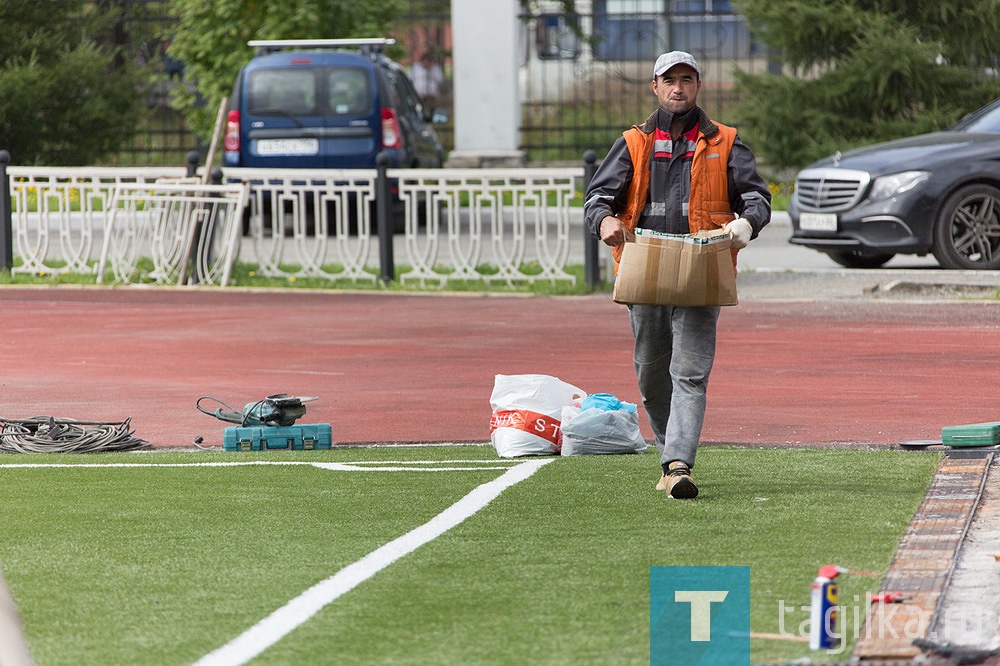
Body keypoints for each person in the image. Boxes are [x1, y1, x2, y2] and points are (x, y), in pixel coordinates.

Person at [583, 51, 771, 499]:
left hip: (703, 266)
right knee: (651, 372)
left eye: (686, 79)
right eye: (670, 80)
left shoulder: (727, 140)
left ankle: (677, 463)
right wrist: (604, 222)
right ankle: (672, 456)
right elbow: (597, 197)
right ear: (655, 86)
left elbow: (757, 197)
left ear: (698, 85)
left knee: (689, 373)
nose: (678, 88)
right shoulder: (633, 142)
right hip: (644, 265)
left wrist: (747, 224)